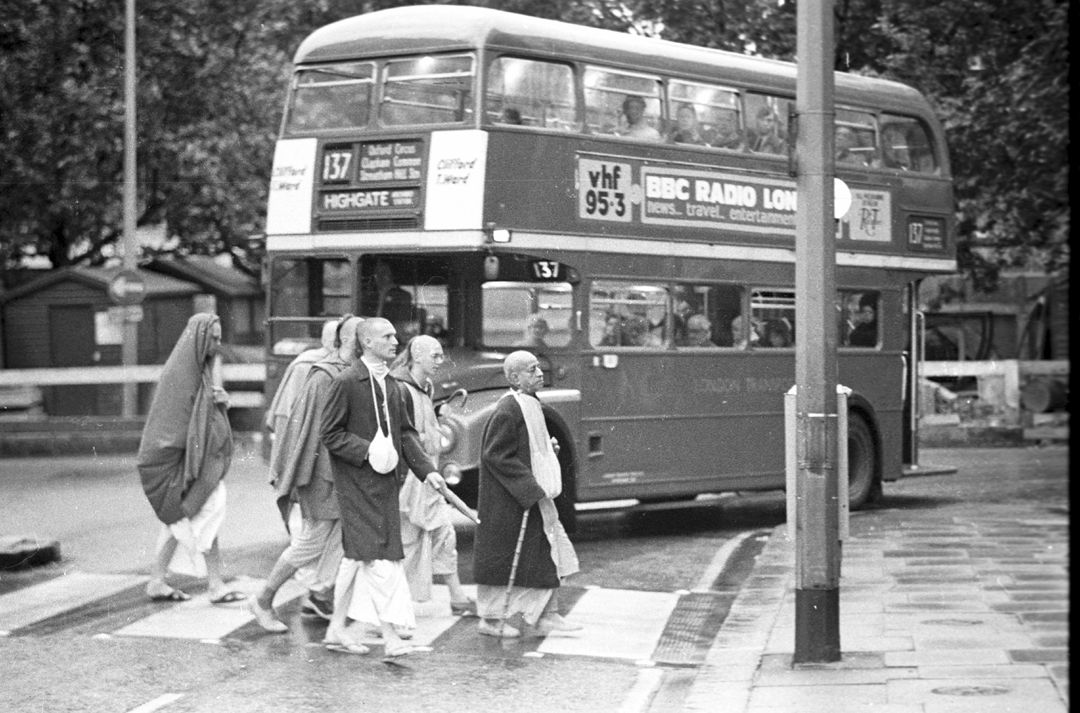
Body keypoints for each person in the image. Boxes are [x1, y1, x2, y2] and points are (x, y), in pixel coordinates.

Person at [320, 317, 446, 657]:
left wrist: (426, 471)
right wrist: (366, 451)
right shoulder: (347, 381)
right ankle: (390, 637)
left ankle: (335, 627)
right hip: (357, 483)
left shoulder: (391, 384)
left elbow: (405, 434)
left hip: (384, 484)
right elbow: (330, 434)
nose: (395, 340)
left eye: (395, 334)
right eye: (387, 336)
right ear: (367, 343)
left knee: (356, 557)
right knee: (381, 558)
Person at [248, 316, 363, 633]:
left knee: (342, 536)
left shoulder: (346, 373)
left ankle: (322, 593)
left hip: (338, 474)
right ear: (349, 340)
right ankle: (263, 598)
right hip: (322, 476)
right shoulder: (323, 376)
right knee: (312, 541)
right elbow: (305, 432)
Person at [473, 351, 581, 638]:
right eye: (531, 370)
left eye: (538, 368)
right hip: (513, 501)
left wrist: (549, 452)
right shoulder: (507, 409)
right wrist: (529, 488)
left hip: (531, 495)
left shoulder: (531, 402)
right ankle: (490, 620)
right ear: (514, 378)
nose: (539, 373)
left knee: (547, 551)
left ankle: (549, 615)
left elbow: (527, 447)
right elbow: (496, 456)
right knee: (510, 560)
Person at [138, 313, 243, 604]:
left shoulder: (199, 371)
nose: (218, 345)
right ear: (200, 338)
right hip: (183, 467)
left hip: (195, 465)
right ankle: (215, 585)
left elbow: (201, 415)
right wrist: (213, 404)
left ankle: (158, 581)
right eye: (215, 339)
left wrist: (220, 402)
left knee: (183, 518)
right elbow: (171, 426)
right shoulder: (183, 375)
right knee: (203, 515)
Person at [390, 335, 477, 615]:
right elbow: (405, 435)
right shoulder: (402, 388)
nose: (441, 361)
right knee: (415, 540)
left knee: (438, 535)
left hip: (426, 474)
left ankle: (456, 597)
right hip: (412, 478)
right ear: (417, 356)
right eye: (435, 356)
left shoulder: (422, 386)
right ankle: (398, 605)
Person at [371, 260, 415, 334]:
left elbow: (403, 323)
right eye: (376, 273)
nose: (379, 277)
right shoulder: (370, 295)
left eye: (384, 273)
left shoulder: (403, 295)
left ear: (391, 274)